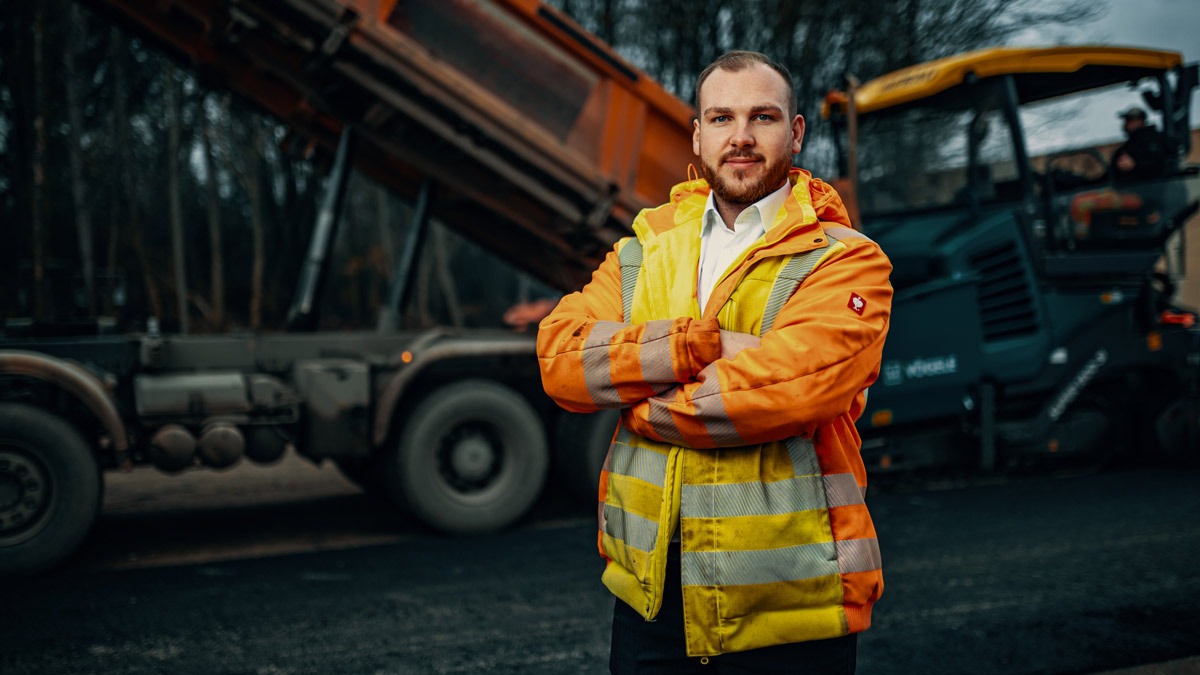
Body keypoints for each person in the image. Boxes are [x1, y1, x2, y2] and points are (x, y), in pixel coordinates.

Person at [536, 51, 893, 673]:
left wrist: (638, 393)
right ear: (697, 135)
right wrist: (700, 346)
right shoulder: (646, 245)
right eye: (722, 117)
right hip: (653, 607)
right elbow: (561, 356)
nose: (743, 137)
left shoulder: (845, 260)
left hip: (790, 610)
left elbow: (793, 388)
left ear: (797, 132)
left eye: (764, 116)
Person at [1111, 107, 1171, 183]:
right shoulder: (1127, 147)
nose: (1127, 124)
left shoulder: (1152, 139)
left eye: (1131, 121)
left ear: (1141, 121)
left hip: (1154, 189)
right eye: (1127, 121)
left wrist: (1135, 165)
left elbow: (1157, 164)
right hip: (1128, 191)